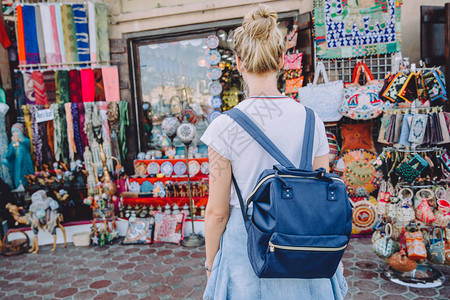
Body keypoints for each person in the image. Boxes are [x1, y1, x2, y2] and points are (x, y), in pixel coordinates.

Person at [200, 4, 348, 300]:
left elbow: (217, 212)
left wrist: (211, 264)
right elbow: (320, 191)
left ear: (239, 63)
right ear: (281, 60)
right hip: (305, 252)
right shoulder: (311, 119)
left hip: (246, 256)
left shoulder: (224, 127)